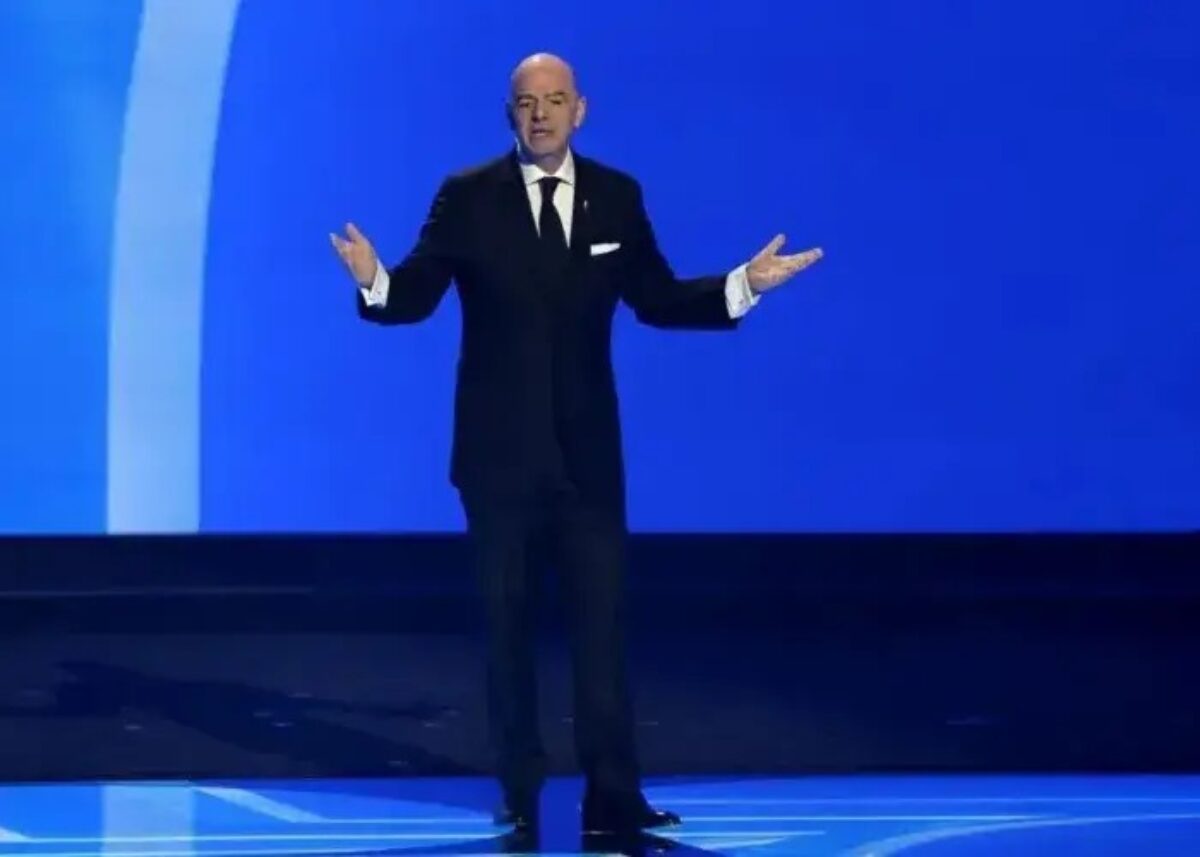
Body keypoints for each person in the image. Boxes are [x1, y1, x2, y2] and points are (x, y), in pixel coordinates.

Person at [331, 53, 822, 836]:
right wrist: (374, 280)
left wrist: (743, 285)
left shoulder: (616, 197)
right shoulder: (468, 196)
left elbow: (658, 298)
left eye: (556, 101)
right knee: (509, 633)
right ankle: (521, 793)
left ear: (580, 111)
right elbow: (416, 293)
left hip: (588, 461)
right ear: (510, 113)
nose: (542, 115)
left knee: (602, 633)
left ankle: (614, 796)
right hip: (497, 460)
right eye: (528, 103)